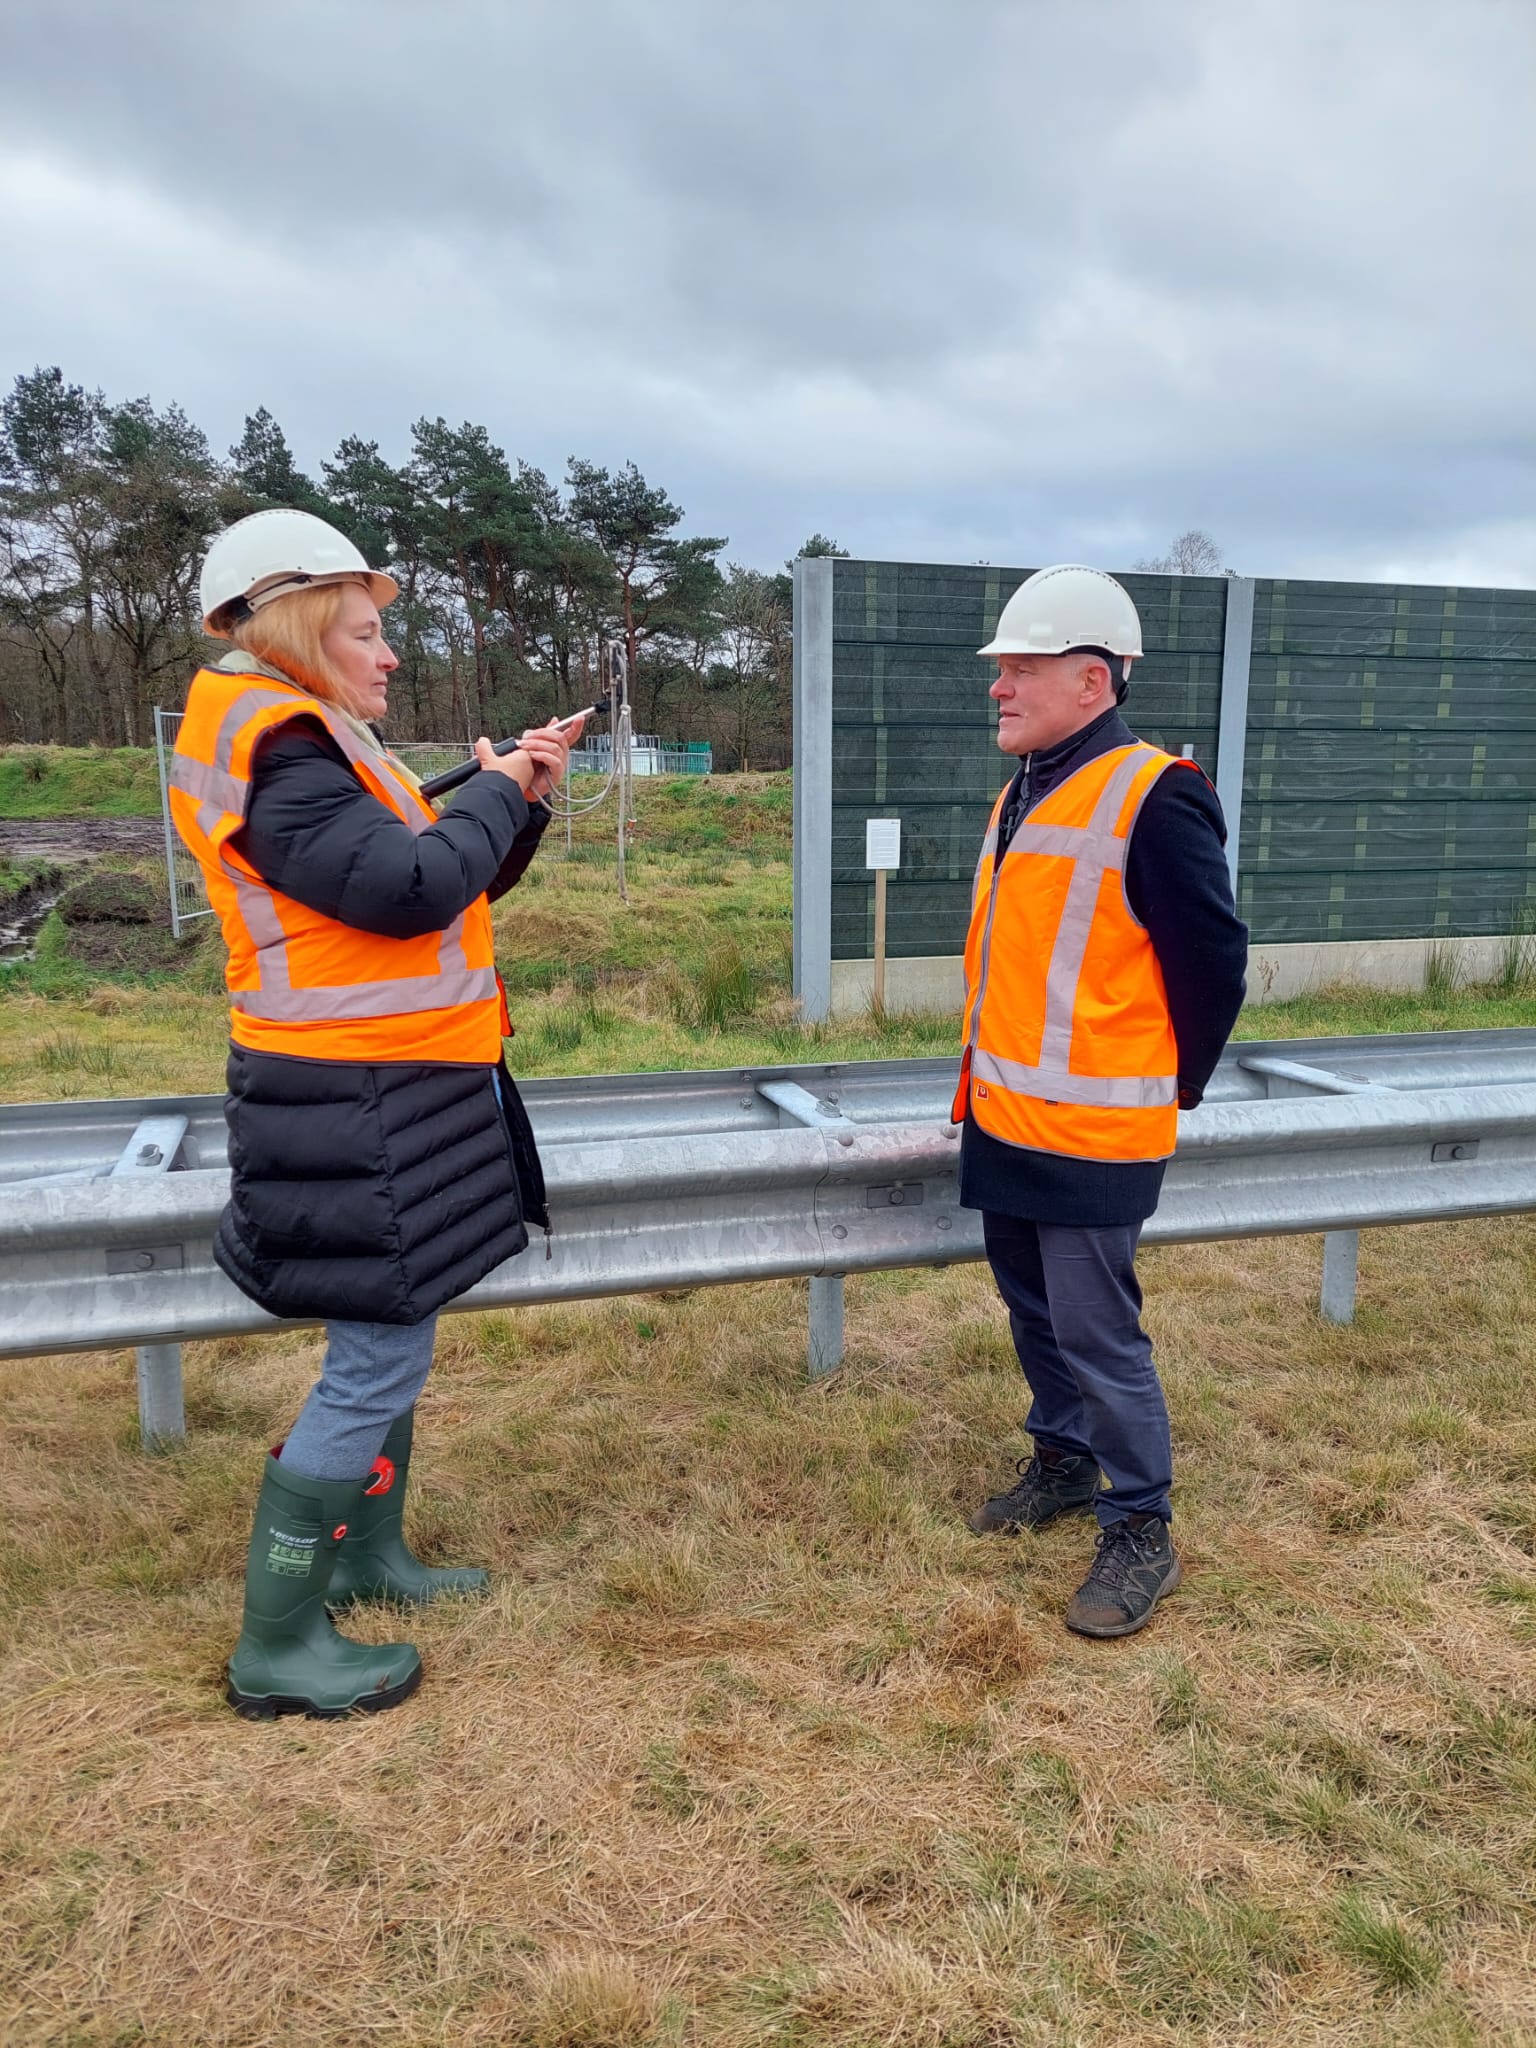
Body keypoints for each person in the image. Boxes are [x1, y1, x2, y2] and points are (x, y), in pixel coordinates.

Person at [170, 507, 582, 1719]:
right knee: (378, 1353)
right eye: (366, 630)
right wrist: (495, 790)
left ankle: (365, 1555)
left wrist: (522, 797)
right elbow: (408, 886)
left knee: (395, 1326)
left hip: (391, 1084)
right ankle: (278, 1639)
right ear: (299, 623)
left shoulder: (321, 738)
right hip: (352, 1092)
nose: (389, 653)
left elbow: (436, 879)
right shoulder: (284, 744)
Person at [953, 564, 1247, 1638]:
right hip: (1008, 1118)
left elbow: (1213, 960)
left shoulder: (1155, 791)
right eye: (1001, 668)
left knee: (1097, 1329)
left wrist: (1175, 1085)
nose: (1000, 686)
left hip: (1096, 1131)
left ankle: (1141, 1525)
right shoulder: (1025, 783)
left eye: (1020, 667)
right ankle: (1065, 1460)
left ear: (1091, 678)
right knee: (1034, 1312)